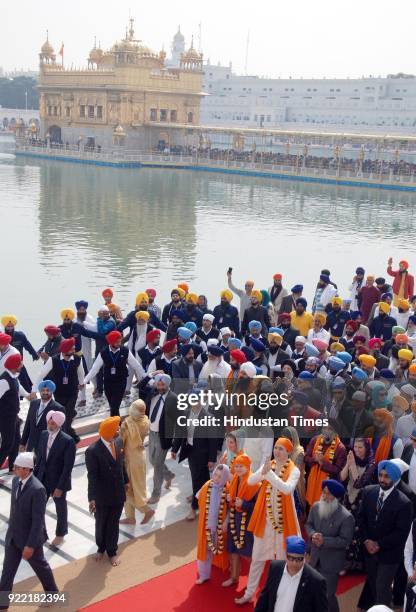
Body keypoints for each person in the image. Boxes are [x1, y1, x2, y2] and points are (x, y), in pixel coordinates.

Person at [235, 438, 301, 605]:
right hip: (265, 522)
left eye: (281, 449)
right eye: (276, 448)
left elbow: (287, 490)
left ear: (288, 452)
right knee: (257, 558)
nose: (277, 451)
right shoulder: (268, 465)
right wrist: (263, 471)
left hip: (283, 523)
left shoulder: (294, 470)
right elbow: (250, 481)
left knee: (281, 562)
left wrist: (268, 474)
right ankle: (249, 593)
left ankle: (280, 599)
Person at [0, 452, 58, 609]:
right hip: (13, 537)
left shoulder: (38, 489)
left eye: (17, 467)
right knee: (7, 571)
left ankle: (52, 594)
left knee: (40, 567)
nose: (14, 469)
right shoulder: (14, 481)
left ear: (27, 469)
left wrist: (30, 545)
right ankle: (2, 604)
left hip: (29, 539)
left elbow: (38, 520)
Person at [357, 459, 413, 609]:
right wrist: (367, 541)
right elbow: (361, 519)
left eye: (386, 476)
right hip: (369, 552)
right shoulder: (369, 492)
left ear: (394, 478)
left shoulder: (404, 502)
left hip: (389, 555)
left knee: (382, 588)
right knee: (375, 586)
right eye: (380, 475)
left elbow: (401, 533)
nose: (382, 479)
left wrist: (379, 544)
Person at [85, 416, 129, 567]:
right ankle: (101, 548)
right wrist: (92, 498)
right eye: (116, 428)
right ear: (109, 431)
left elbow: (121, 464)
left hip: (118, 492)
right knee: (101, 523)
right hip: (102, 496)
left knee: (113, 523)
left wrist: (127, 481)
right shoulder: (92, 451)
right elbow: (92, 476)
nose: (118, 430)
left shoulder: (117, 442)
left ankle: (112, 551)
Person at [306, 479, 355, 612]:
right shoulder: (316, 507)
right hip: (314, 559)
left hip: (331, 564)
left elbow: (345, 541)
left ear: (336, 497)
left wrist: (324, 541)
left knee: (327, 595)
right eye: (323, 493)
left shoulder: (346, 517)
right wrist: (312, 534)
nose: (324, 496)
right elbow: (308, 524)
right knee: (313, 593)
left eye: (328, 494)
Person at [171, 389, 218, 521]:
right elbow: (181, 433)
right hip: (190, 450)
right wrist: (175, 449)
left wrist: (211, 459)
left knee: (198, 478)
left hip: (202, 453)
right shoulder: (186, 414)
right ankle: (202, 498)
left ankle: (194, 508)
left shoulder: (209, 417)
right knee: (200, 478)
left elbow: (212, 440)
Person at [33, 410, 76, 546]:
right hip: (42, 479)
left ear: (59, 424)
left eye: (53, 423)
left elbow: (67, 467)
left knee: (60, 508)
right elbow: (40, 457)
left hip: (57, 481)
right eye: (49, 422)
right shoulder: (44, 434)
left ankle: (61, 533)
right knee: (38, 507)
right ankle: (41, 534)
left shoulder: (67, 441)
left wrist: (60, 487)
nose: (50, 425)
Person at [254, 535, 328, 612]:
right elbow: (264, 599)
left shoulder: (317, 581)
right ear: (285, 554)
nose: (294, 563)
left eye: (299, 559)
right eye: (291, 558)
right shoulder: (275, 568)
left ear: (305, 556)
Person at [33, 337, 84, 443]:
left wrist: (81, 383)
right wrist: (34, 390)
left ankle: (67, 439)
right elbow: (41, 374)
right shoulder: (53, 360)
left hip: (72, 392)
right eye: (72, 348)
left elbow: (81, 372)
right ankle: (71, 435)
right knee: (61, 415)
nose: (74, 350)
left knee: (68, 415)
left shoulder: (77, 359)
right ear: (65, 350)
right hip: (59, 393)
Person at [83, 330, 144, 417]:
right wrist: (85, 381)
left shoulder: (125, 351)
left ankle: (116, 427)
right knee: (113, 406)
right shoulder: (103, 352)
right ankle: (116, 426)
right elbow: (94, 369)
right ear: (111, 342)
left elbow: (136, 365)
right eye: (117, 342)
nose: (120, 343)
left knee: (115, 406)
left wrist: (145, 376)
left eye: (120, 341)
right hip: (108, 382)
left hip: (121, 381)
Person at [222, 454, 260, 588]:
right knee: (233, 550)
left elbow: (258, 507)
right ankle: (234, 578)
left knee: (248, 553)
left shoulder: (255, 483)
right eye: (236, 466)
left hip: (247, 522)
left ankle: (253, 582)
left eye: (241, 466)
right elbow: (232, 500)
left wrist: (244, 504)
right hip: (234, 518)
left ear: (247, 466)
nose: (238, 469)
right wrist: (230, 499)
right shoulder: (234, 480)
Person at [340, 438, 376, 571]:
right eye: (355, 447)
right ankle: (343, 562)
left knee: (356, 532)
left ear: (366, 448)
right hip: (348, 499)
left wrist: (353, 465)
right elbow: (342, 478)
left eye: (360, 447)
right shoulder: (351, 458)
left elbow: (359, 484)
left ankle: (354, 564)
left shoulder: (372, 463)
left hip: (361, 502)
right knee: (345, 529)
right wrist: (347, 464)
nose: (356, 450)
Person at [119, 400, 154, 525]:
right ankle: (130, 517)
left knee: (125, 490)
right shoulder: (145, 420)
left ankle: (146, 510)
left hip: (130, 459)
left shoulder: (127, 424)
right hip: (140, 456)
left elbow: (120, 443)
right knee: (135, 489)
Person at [145, 373, 178, 505]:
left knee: (157, 465)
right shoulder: (152, 394)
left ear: (168, 384)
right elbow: (140, 386)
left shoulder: (173, 399)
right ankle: (169, 475)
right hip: (151, 432)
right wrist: (150, 375)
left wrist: (175, 446)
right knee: (152, 460)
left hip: (163, 436)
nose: (160, 387)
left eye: (162, 384)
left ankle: (156, 494)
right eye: (158, 384)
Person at [196, 463, 231, 584]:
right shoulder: (207, 486)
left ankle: (229, 566)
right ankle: (204, 575)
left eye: (220, 476)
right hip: (206, 526)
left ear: (225, 478)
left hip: (220, 527)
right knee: (205, 549)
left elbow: (231, 509)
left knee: (220, 547)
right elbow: (199, 496)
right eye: (215, 474)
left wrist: (226, 522)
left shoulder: (228, 490)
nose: (216, 478)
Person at [0, 353, 32, 470]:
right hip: (5, 417)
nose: (22, 364)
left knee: (16, 441)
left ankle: (12, 466)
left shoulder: (13, 376)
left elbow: (18, 387)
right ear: (14, 366)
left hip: (13, 415)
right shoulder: (4, 381)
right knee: (7, 443)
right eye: (20, 363)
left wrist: (28, 395)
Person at [304, 426, 347, 508]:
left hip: (328, 488)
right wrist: (315, 459)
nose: (326, 431)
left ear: (335, 432)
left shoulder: (340, 448)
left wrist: (323, 463)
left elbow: (338, 470)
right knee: (310, 509)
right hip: (312, 483)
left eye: (330, 429)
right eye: (324, 428)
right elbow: (306, 458)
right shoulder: (315, 440)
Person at [20, 380, 65, 453]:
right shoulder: (33, 403)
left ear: (52, 391)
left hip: (47, 447)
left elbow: (62, 431)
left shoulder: (58, 408)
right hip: (31, 445)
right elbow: (28, 424)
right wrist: (22, 443)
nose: (45, 392)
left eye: (48, 390)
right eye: (43, 390)